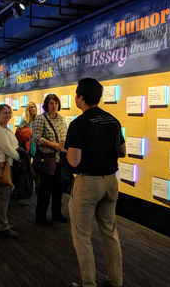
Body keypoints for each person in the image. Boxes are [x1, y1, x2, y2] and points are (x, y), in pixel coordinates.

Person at [65, 78, 125, 287]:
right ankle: (116, 280)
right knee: (110, 233)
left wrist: (66, 150)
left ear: (80, 98)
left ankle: (89, 283)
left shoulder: (77, 124)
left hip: (87, 184)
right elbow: (122, 152)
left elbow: (74, 161)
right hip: (111, 182)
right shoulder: (113, 120)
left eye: (76, 95)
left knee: (82, 236)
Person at [31, 94, 68, 226]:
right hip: (47, 158)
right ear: (46, 105)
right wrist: (54, 145)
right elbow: (36, 138)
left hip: (60, 159)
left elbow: (65, 135)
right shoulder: (41, 119)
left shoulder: (61, 119)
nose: (54, 105)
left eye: (56, 103)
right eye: (51, 103)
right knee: (45, 190)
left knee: (58, 189)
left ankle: (56, 213)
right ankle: (40, 216)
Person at [0, 104, 20, 237]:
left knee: (3, 196)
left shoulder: (5, 128)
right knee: (3, 196)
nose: (7, 115)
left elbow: (14, 146)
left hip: (7, 164)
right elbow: (7, 148)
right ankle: (2, 225)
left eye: (9, 112)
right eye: (4, 113)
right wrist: (20, 158)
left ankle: (0, 222)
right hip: (2, 165)